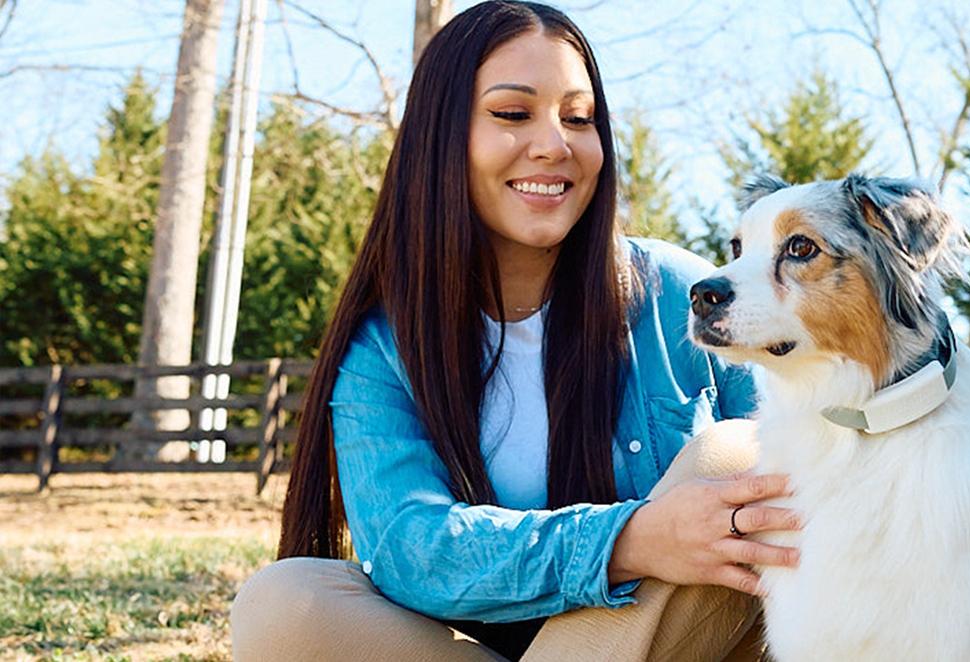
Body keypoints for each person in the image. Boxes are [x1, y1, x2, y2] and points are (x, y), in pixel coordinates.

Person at [230, 2, 803, 660]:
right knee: (286, 603)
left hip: (681, 645)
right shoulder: (385, 345)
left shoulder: (681, 293)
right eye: (512, 113)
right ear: (441, 138)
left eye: (579, 118)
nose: (555, 144)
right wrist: (632, 539)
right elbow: (412, 548)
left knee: (736, 456)